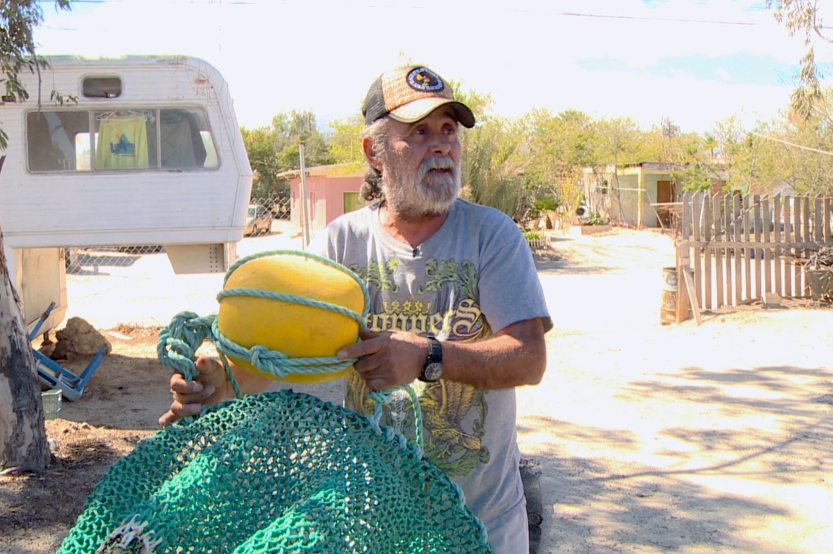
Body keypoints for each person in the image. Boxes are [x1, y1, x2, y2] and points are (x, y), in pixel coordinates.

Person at [161, 64, 552, 554]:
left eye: (449, 131)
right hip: (373, 523)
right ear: (375, 151)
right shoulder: (342, 242)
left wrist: (429, 355)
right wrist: (226, 384)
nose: (442, 146)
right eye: (420, 132)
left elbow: (529, 358)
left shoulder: (492, 236)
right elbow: (290, 359)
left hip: (483, 525)